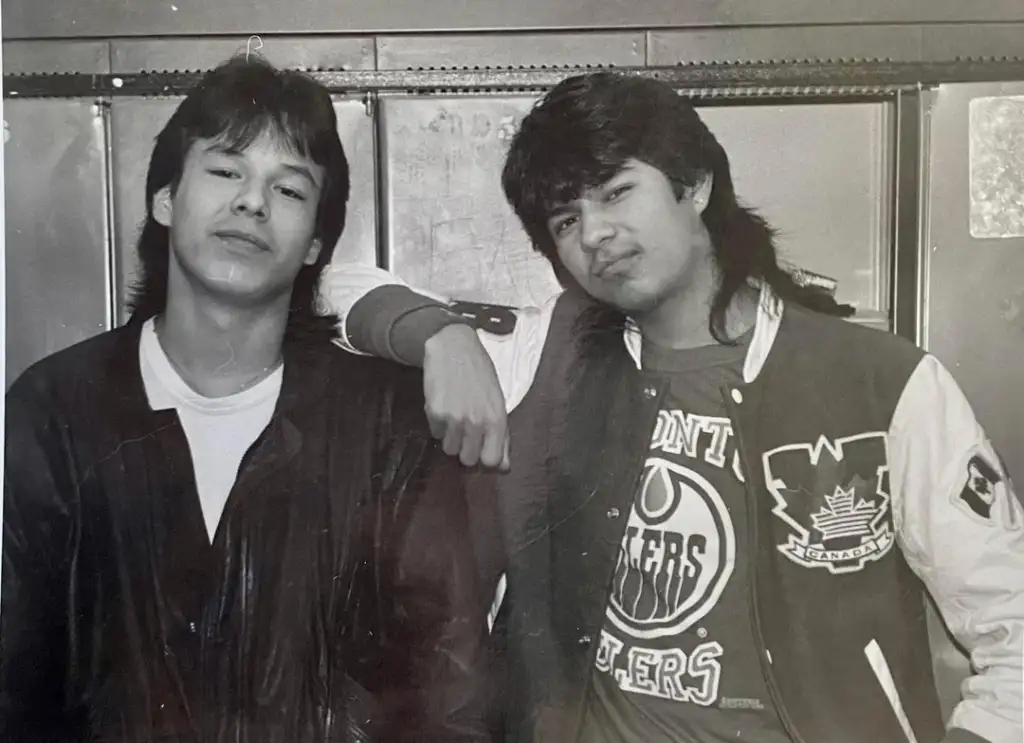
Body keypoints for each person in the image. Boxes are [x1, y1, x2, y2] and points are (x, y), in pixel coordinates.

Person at [323, 72, 1024, 743]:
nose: (594, 234)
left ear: (694, 185)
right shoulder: (551, 351)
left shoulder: (884, 382)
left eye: (617, 192)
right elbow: (327, 286)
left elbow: (1013, 626)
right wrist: (439, 334)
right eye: (567, 219)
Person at [1, 55, 490, 743]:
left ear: (317, 241)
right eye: (226, 171)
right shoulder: (52, 411)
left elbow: (449, 700)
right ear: (165, 199)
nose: (252, 202)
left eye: (289, 190)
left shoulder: (387, 424)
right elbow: (17, 691)